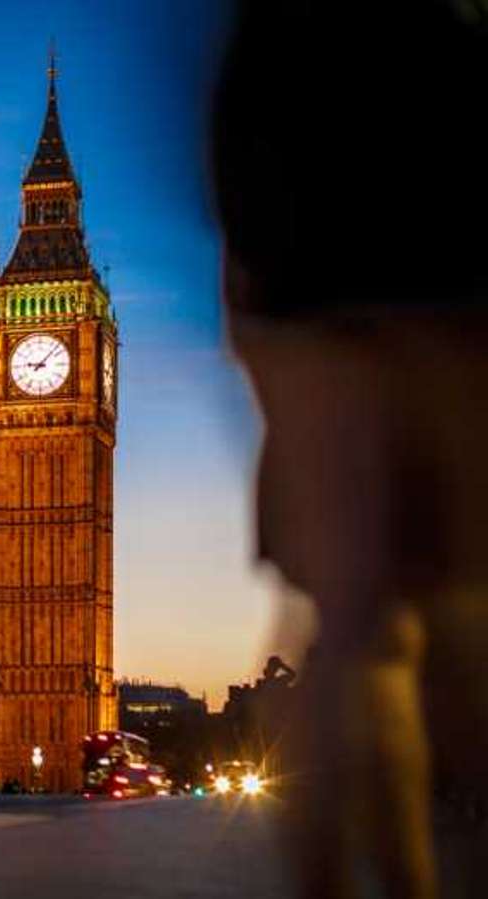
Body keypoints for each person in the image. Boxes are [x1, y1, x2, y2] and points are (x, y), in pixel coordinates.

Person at [213, 4, 488, 897]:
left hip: (321, 322)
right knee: (439, 608)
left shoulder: (271, 48)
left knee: (360, 623)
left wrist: (265, 349)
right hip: (433, 314)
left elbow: (243, 211)